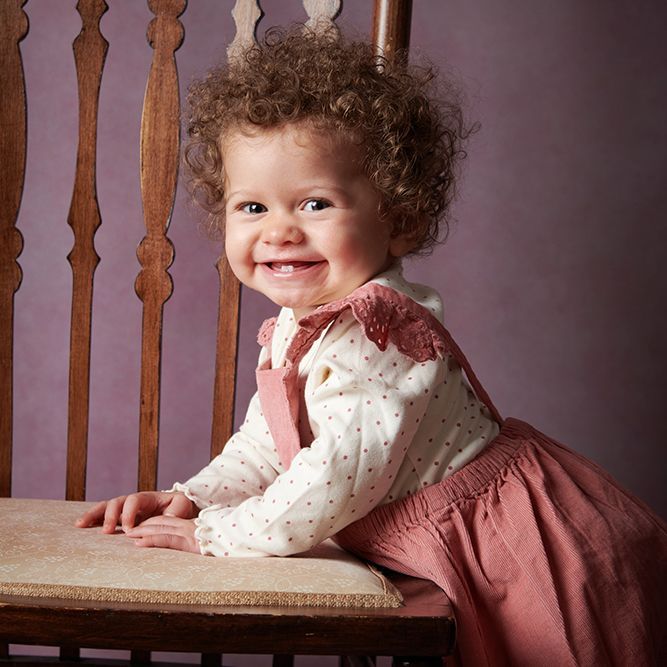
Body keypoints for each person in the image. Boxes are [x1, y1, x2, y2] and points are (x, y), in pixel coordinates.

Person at [76, 27, 666, 666]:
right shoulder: (301, 324)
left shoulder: (378, 334)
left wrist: (216, 534)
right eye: (250, 207)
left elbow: (331, 483)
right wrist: (197, 496)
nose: (279, 230)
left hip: (510, 547)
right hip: (427, 540)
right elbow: (267, 446)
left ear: (400, 217)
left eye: (315, 202)